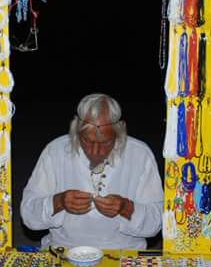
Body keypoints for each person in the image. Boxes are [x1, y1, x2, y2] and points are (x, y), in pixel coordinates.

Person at [21, 93, 163, 249]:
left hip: (124, 252)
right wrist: (58, 202)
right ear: (76, 131)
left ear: (119, 133)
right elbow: (28, 215)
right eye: (87, 141)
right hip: (64, 249)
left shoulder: (140, 154)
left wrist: (126, 208)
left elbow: (157, 222)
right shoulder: (55, 151)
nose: (95, 151)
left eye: (105, 142)